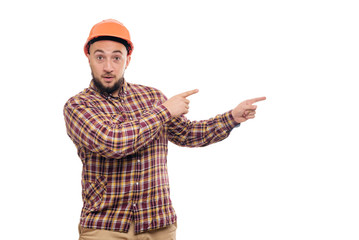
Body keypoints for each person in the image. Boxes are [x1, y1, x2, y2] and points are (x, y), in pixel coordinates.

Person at [64, 19, 266, 240]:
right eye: (100, 57)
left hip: (158, 224)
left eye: (116, 57)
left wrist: (231, 118)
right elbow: (112, 142)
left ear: (127, 60)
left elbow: (187, 134)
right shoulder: (78, 106)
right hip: (105, 226)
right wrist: (165, 111)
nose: (108, 67)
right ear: (89, 58)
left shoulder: (152, 97)